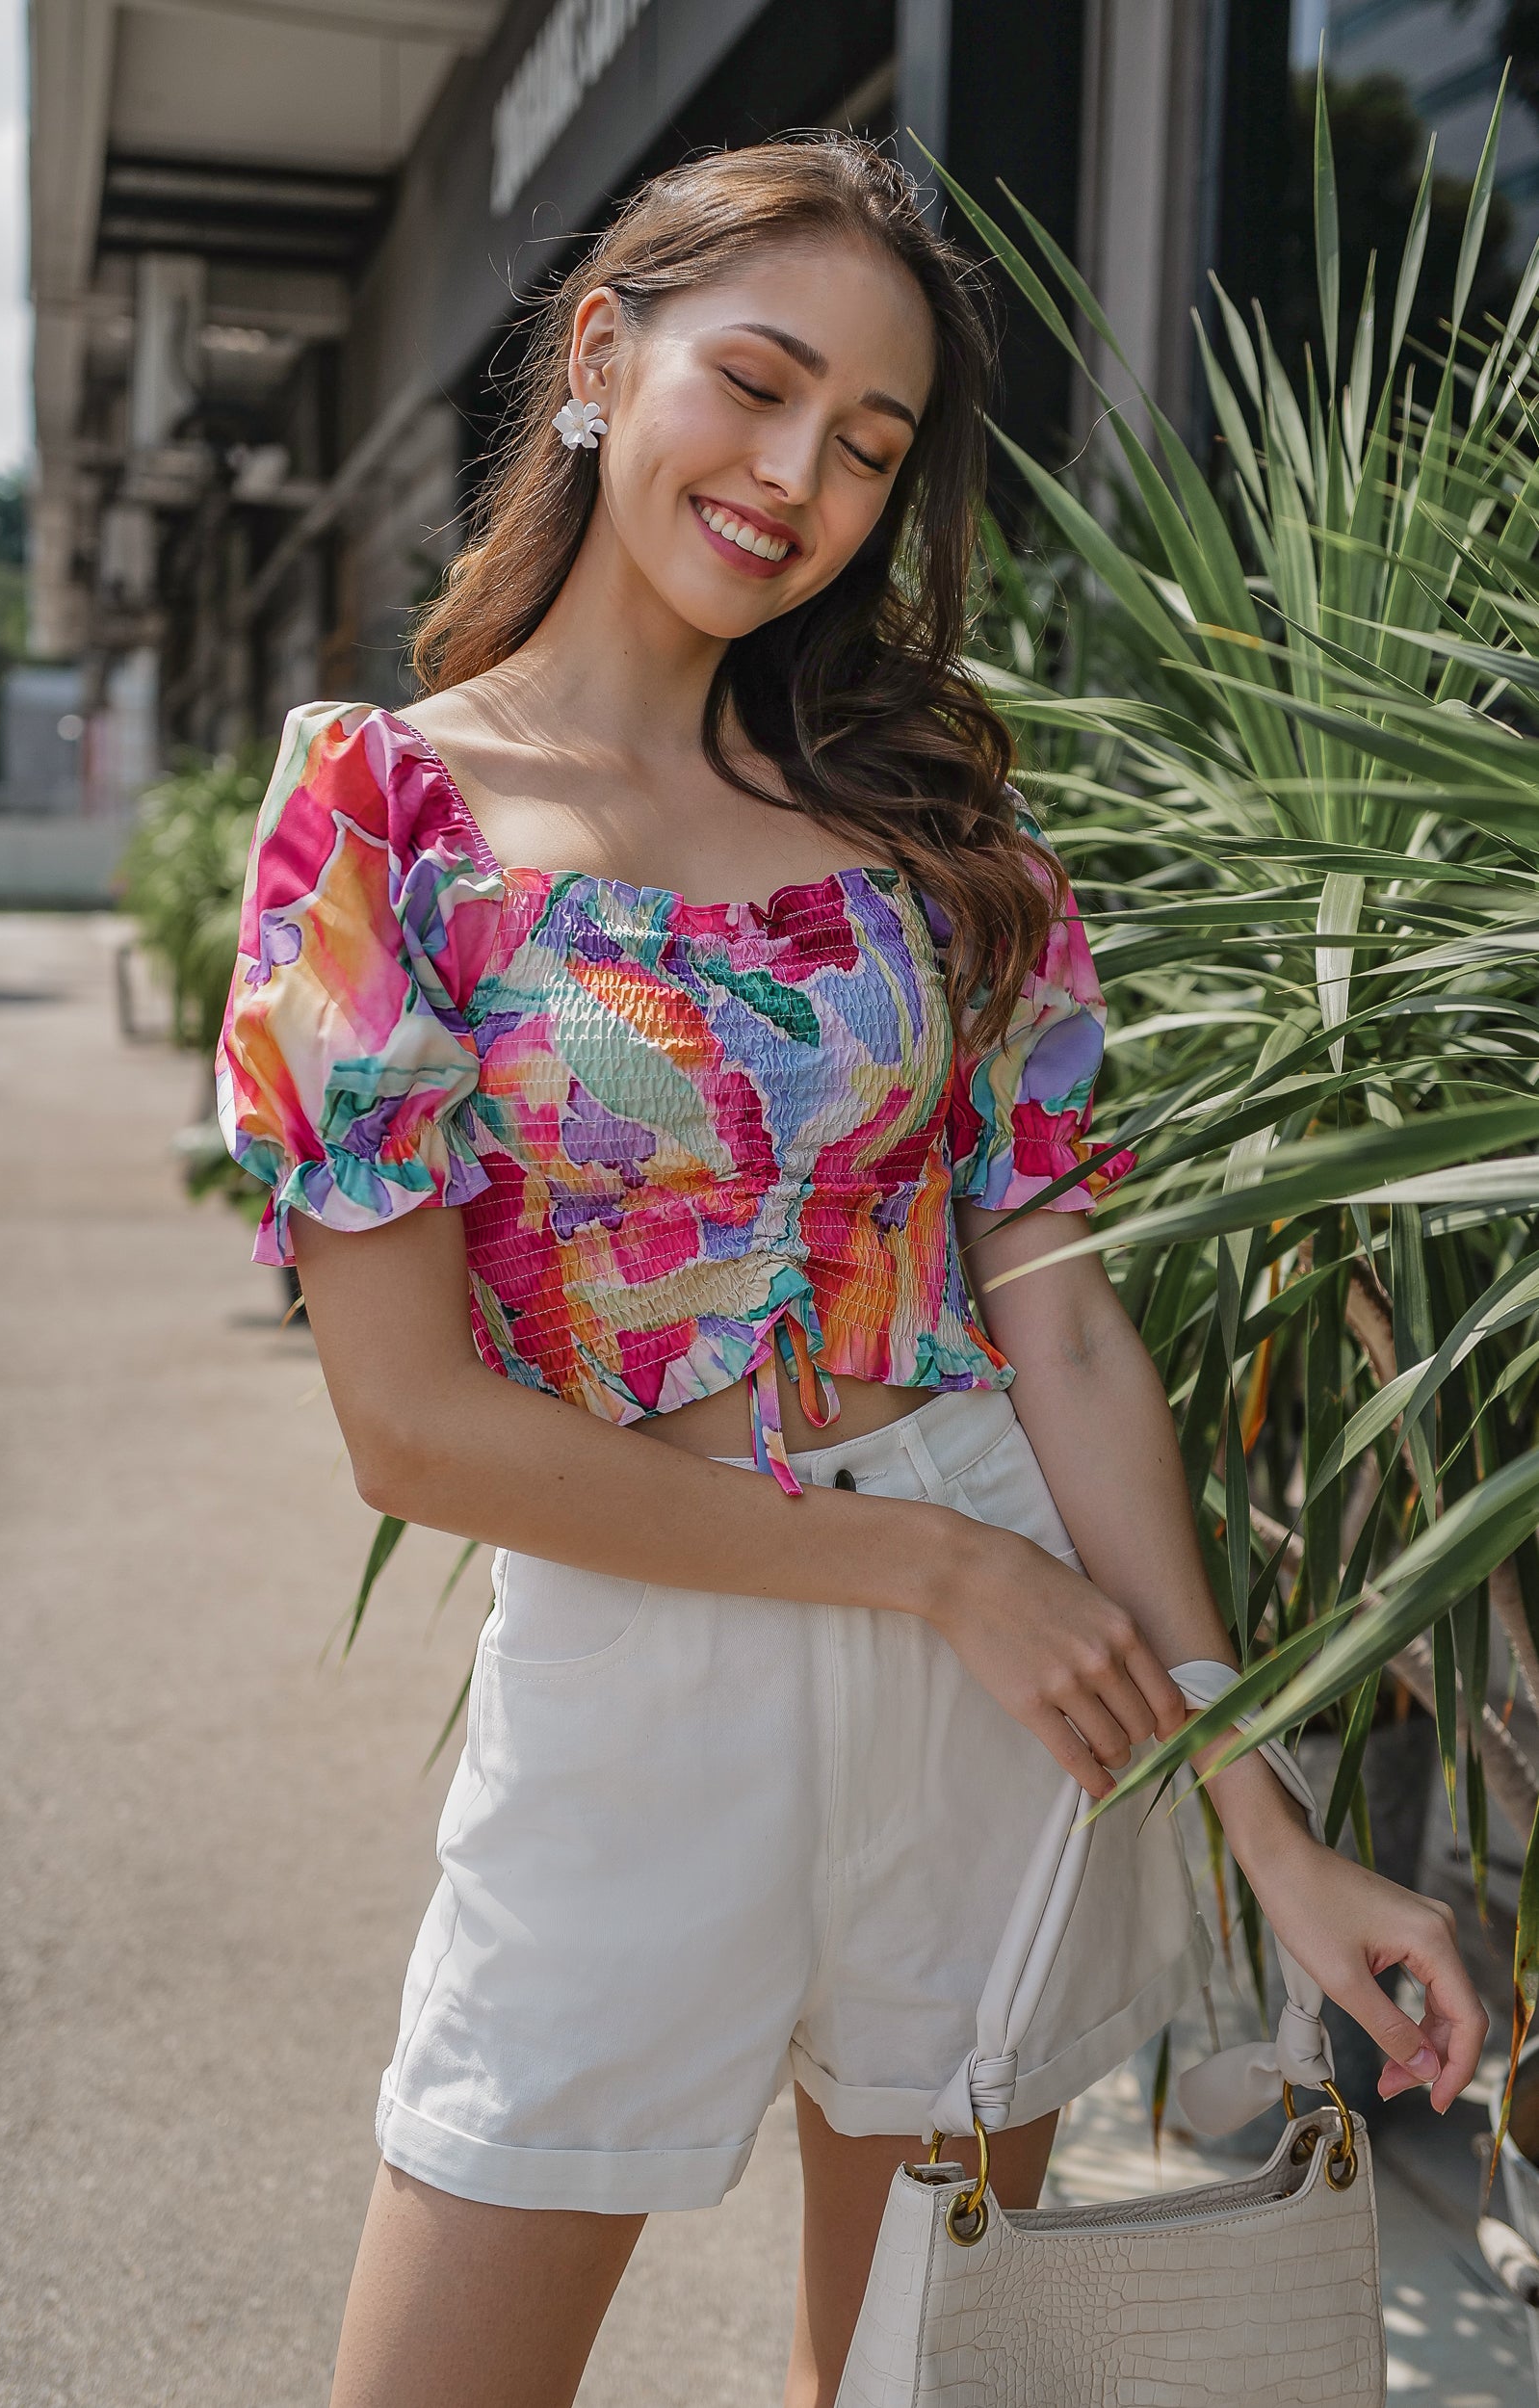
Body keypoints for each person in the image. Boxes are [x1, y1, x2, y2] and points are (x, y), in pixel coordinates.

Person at [216, 134, 1487, 2408]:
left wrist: (1271, 1834)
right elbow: (408, 1426)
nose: (799, 476)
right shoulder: (381, 814)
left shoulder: (937, 835)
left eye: (870, 447)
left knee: (915, 2380)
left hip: (997, 1684)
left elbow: (1070, 1324)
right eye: (763, 384)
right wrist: (918, 1564)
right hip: (655, 1666)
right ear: (603, 353)